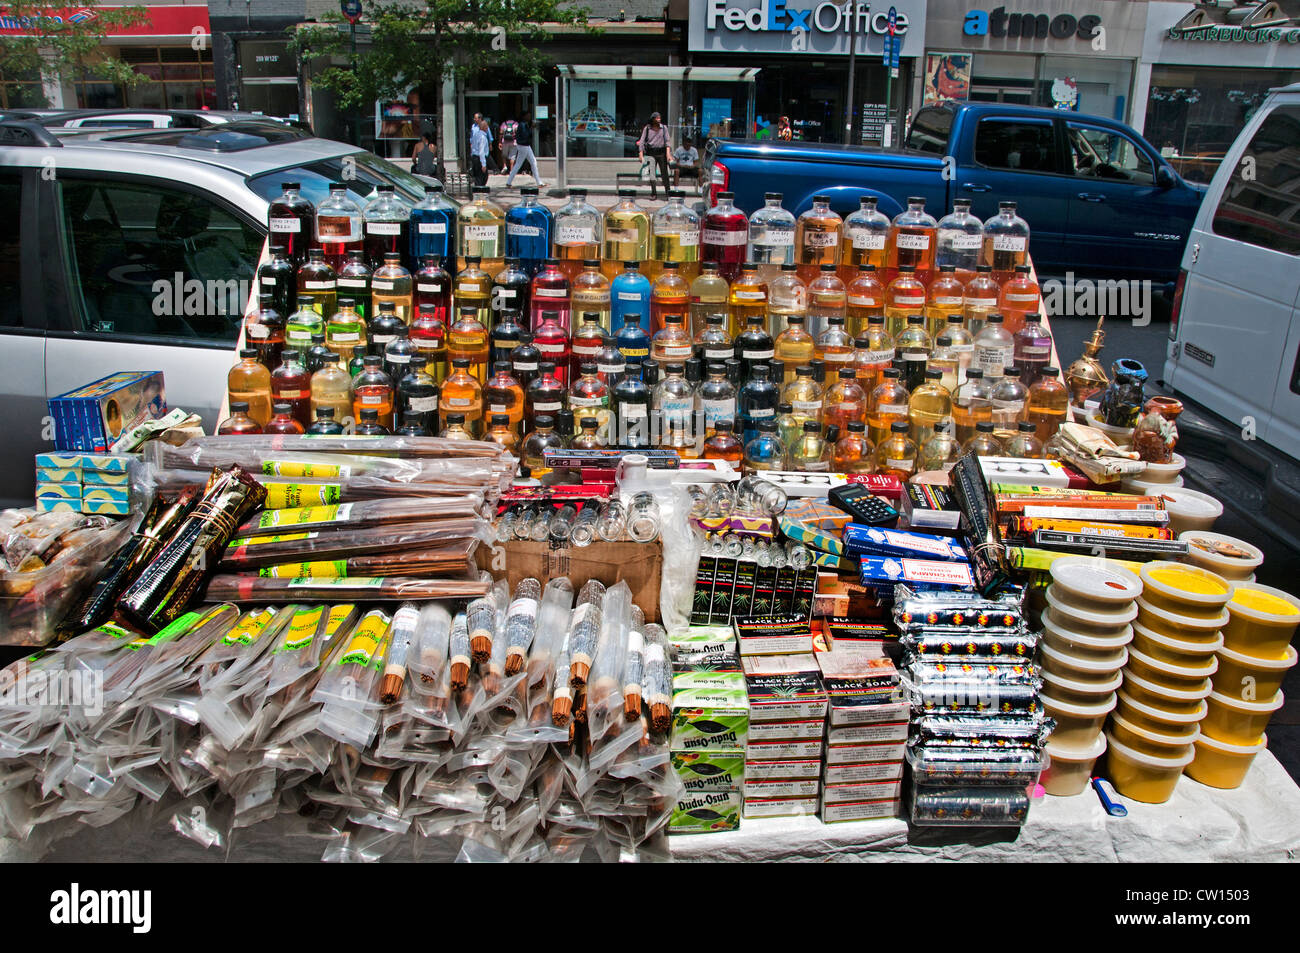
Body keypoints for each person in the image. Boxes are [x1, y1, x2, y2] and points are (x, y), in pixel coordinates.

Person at [637, 111, 672, 198]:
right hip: (651, 152)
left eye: (659, 118)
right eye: (657, 118)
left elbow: (667, 141)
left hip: (661, 152)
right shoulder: (647, 129)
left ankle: (668, 192)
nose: (658, 119)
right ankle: (654, 193)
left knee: (664, 173)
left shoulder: (664, 128)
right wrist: (640, 154)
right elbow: (642, 141)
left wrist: (668, 154)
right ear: (653, 119)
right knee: (652, 173)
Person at [505, 117, 545, 188]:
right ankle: (509, 182)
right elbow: (526, 135)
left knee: (532, 162)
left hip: (524, 145)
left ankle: (539, 182)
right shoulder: (523, 125)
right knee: (522, 164)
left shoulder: (522, 124)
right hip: (524, 146)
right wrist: (531, 128)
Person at [470, 117, 491, 187]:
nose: (487, 128)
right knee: (482, 177)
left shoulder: (476, 135)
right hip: (479, 159)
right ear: (484, 127)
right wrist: (483, 164)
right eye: (487, 126)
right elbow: (481, 151)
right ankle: (479, 193)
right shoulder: (482, 137)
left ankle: (477, 190)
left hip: (474, 157)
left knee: (478, 178)